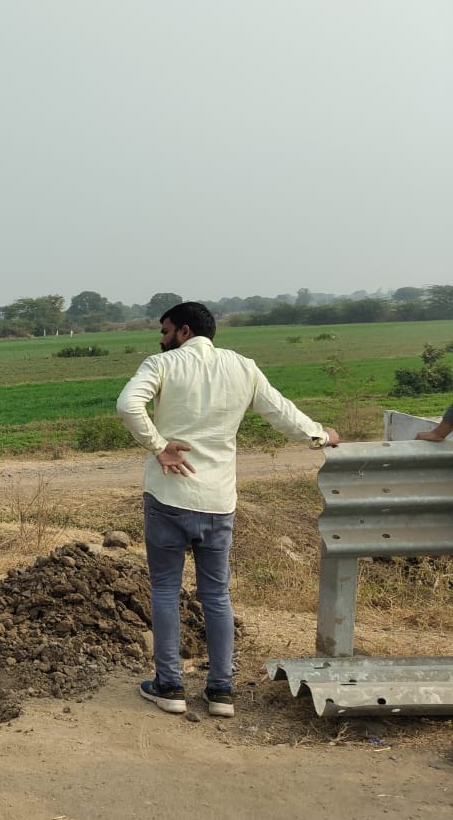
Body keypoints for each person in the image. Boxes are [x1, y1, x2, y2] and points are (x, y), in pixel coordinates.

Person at [116, 302, 340, 718]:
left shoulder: (162, 365)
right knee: (216, 595)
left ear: (183, 331)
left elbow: (128, 406)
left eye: (164, 331)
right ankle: (221, 691)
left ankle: (169, 687)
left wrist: (159, 446)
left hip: (168, 498)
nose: (160, 339)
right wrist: (319, 435)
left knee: (165, 590)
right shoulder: (242, 367)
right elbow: (282, 413)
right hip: (219, 502)